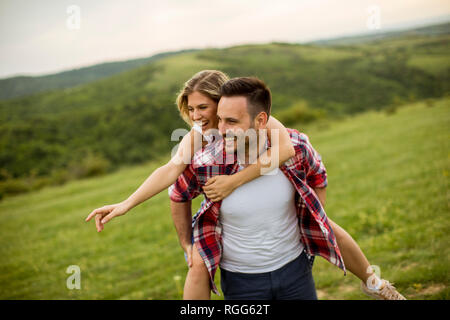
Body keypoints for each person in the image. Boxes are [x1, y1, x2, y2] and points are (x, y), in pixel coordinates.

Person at [86, 70, 406, 300]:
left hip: (292, 265)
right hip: (241, 277)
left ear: (223, 104)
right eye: (192, 109)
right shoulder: (199, 141)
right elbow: (171, 173)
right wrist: (125, 204)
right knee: (197, 265)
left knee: (327, 224)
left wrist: (236, 183)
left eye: (205, 108)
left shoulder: (271, 127)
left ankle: (375, 285)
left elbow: (288, 151)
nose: (198, 117)